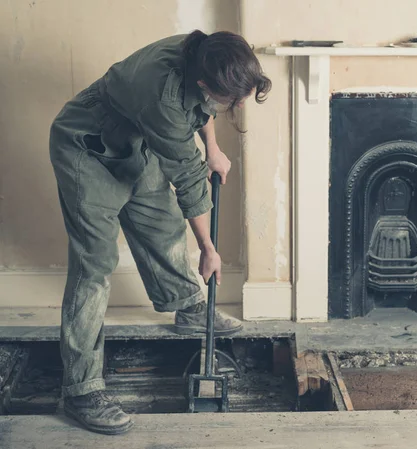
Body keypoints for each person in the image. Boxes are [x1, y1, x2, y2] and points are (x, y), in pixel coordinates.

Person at [49, 30, 271, 435]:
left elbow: (201, 111)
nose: (237, 105)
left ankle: (186, 305)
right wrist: (208, 248)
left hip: (138, 139)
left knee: (163, 222)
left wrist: (214, 149)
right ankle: (80, 390)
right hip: (86, 149)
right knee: (94, 265)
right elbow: (188, 178)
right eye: (232, 100)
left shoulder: (205, 52)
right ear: (206, 83)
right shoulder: (160, 96)